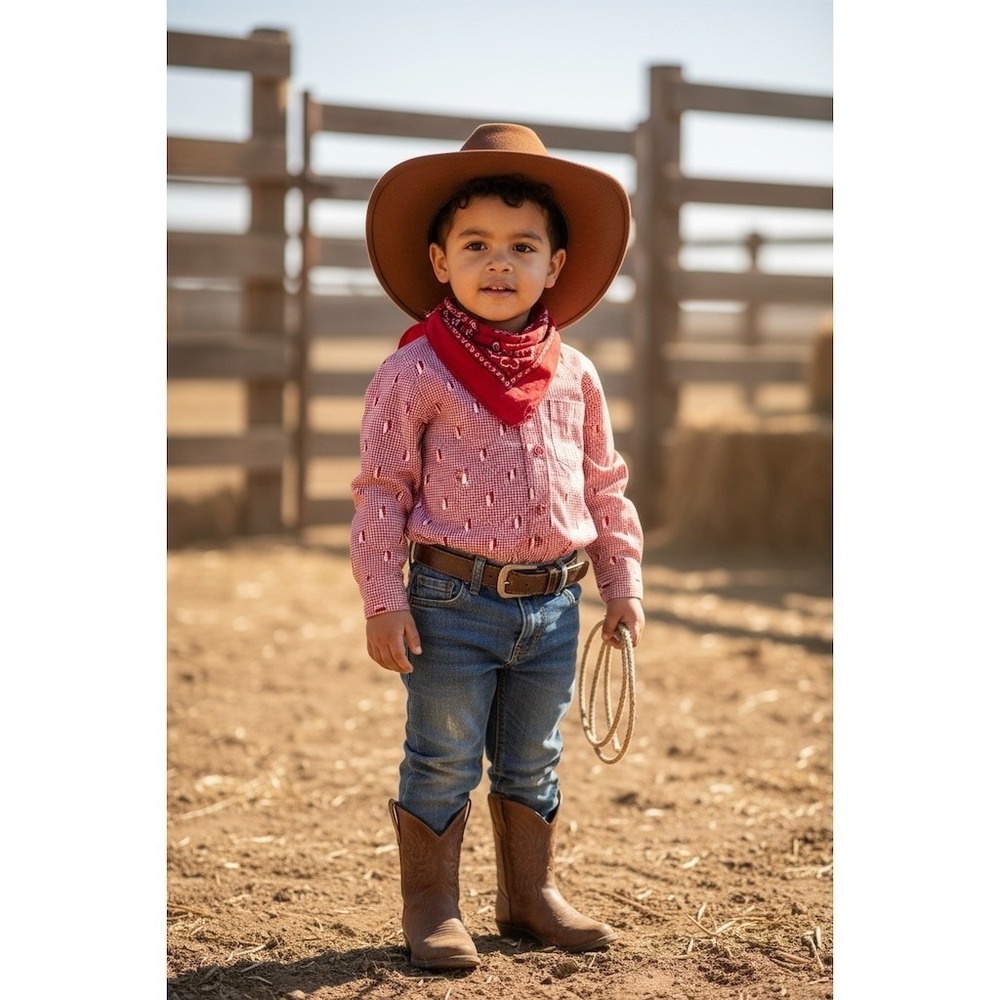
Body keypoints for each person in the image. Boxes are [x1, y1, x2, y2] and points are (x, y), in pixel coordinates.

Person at [350, 123, 645, 971]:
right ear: (440, 259)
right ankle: (434, 906)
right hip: (452, 601)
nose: (499, 262)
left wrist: (620, 581)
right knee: (442, 754)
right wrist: (382, 597)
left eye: (523, 245)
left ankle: (528, 897)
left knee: (534, 755)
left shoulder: (575, 373)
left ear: (555, 264)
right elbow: (382, 494)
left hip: (553, 604)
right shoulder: (412, 375)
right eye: (475, 243)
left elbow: (604, 484)